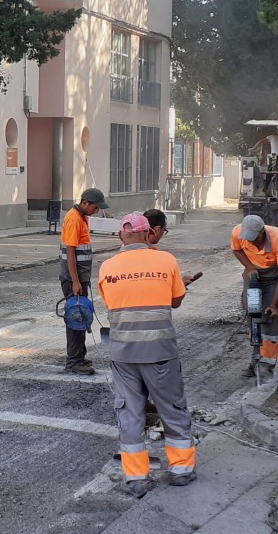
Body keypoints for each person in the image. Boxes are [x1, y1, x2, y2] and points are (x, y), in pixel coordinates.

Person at [98, 212, 196, 497]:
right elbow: (175, 301)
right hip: (160, 352)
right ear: (148, 234)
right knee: (171, 408)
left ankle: (136, 476)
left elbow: (112, 302)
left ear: (121, 236)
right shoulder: (166, 261)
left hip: (123, 354)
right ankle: (180, 469)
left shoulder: (107, 267)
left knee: (129, 414)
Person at [231, 214, 278, 377]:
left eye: (254, 238)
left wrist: (274, 304)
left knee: (269, 317)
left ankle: (267, 364)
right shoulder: (237, 233)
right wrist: (250, 267)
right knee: (253, 313)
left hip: (274, 277)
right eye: (247, 238)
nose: (250, 241)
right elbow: (236, 250)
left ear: (262, 232)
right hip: (254, 274)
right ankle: (255, 360)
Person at [59, 187, 108, 374]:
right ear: (86, 203)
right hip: (74, 279)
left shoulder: (82, 217)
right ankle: (73, 361)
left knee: (82, 314)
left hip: (79, 277)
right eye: (95, 207)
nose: (96, 211)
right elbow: (70, 252)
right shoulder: (73, 219)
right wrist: (75, 281)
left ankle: (79, 356)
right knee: (76, 316)